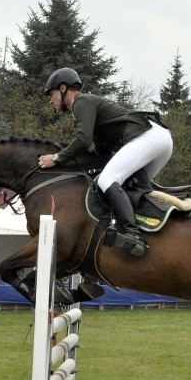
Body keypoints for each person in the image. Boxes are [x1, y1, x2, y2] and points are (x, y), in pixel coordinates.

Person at [38, 67, 173, 258]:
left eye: (51, 94)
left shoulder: (81, 102)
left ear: (62, 88)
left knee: (107, 179)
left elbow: (83, 141)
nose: (51, 101)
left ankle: (133, 234)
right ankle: (146, 228)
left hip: (149, 137)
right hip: (160, 140)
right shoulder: (91, 110)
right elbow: (100, 151)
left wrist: (57, 158)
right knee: (130, 188)